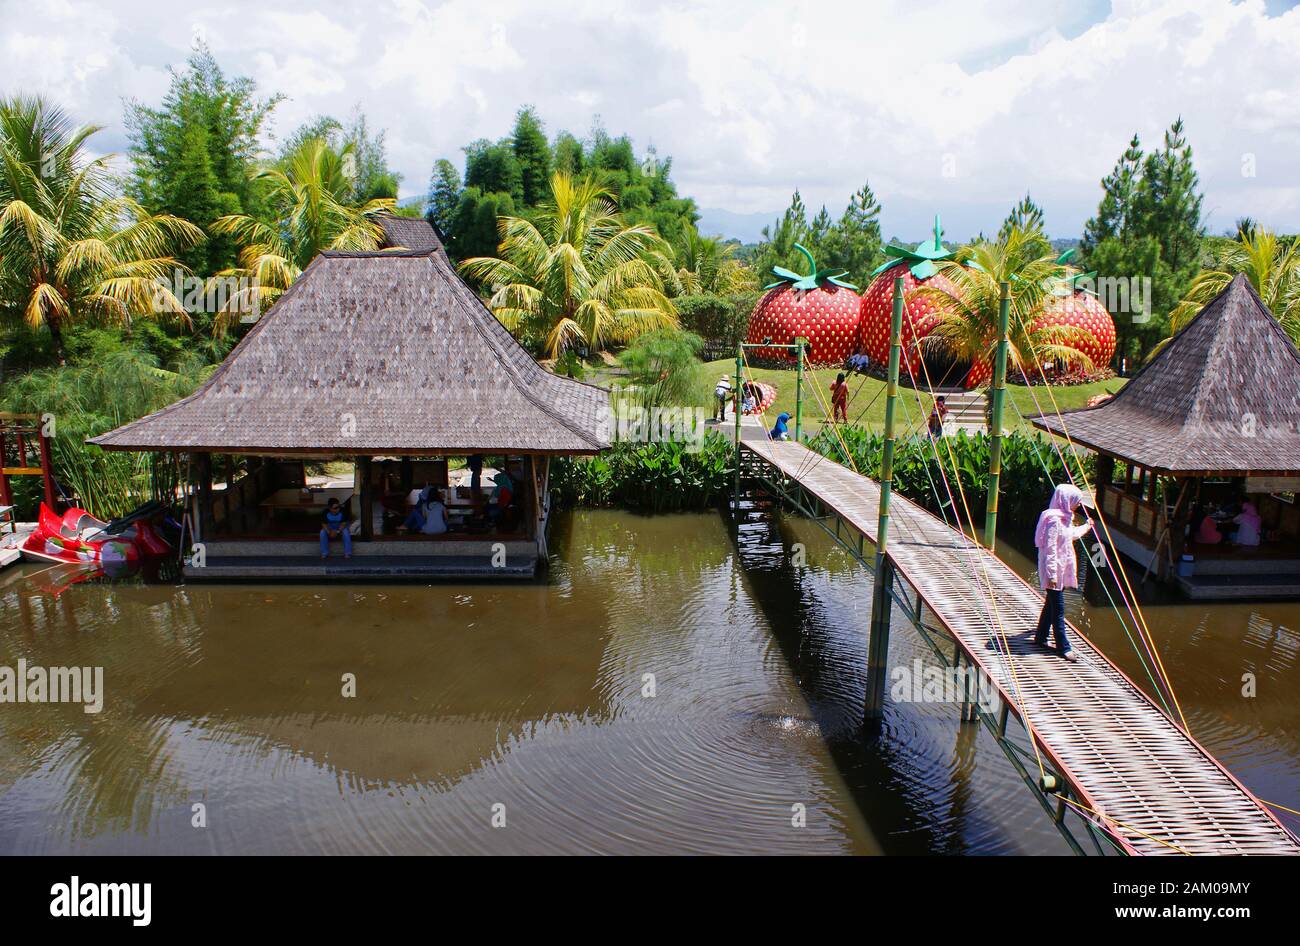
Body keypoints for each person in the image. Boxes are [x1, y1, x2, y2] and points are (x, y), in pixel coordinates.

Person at [1033, 484, 1094, 662]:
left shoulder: (1064, 518)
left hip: (1061, 569)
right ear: (1066, 500)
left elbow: (1070, 535)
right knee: (1058, 610)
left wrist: (1086, 527)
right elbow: (1050, 549)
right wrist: (1051, 575)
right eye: (1075, 501)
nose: (1076, 505)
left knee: (1051, 605)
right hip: (1054, 571)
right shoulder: (1053, 520)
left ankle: (1040, 637)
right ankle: (1064, 647)